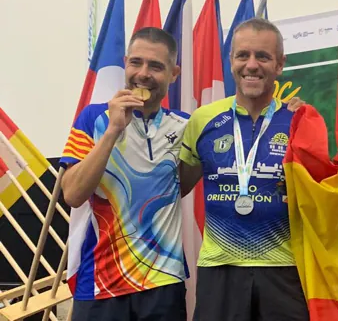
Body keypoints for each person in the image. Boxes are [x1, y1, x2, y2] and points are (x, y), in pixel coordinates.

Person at [178, 17, 309, 321]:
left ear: (279, 64)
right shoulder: (202, 119)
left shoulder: (299, 120)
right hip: (219, 268)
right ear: (231, 60)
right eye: (243, 55)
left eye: (263, 56)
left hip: (284, 268)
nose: (252, 65)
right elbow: (177, 186)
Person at [59, 27, 189, 320]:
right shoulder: (93, 117)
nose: (143, 73)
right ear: (126, 62)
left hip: (163, 282)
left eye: (156, 66)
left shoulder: (185, 126)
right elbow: (73, 195)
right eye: (136, 62)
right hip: (101, 283)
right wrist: (113, 130)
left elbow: (182, 186)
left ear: (174, 73)